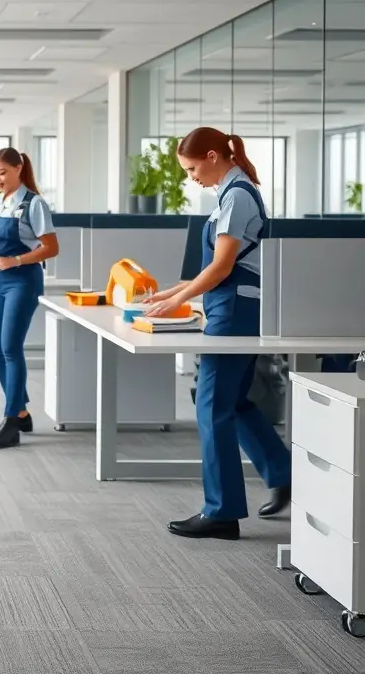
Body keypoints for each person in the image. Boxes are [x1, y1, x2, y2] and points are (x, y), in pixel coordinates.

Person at [143, 127, 291, 540]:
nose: (191, 178)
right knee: (233, 401)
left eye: (192, 169)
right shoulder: (232, 194)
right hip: (233, 306)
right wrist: (172, 291)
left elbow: (223, 266)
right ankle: (283, 473)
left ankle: (222, 513)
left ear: (212, 156)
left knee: (211, 405)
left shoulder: (237, 196)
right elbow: (222, 266)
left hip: (235, 310)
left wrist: (179, 300)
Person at [0, 148, 59, 449]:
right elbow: (1, 243)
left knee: (10, 348)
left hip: (22, 280)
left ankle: (11, 424)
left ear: (18, 169)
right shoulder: (1, 201)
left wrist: (16, 260)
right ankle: (19, 413)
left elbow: (51, 247)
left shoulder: (34, 203)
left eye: (2, 172)